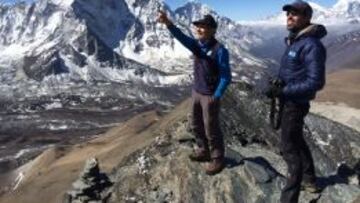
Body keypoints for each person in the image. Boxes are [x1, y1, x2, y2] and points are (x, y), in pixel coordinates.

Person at [265, 1, 327, 202]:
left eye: (295, 14)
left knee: (289, 148)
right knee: (297, 139)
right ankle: (310, 179)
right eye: (288, 14)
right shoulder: (297, 41)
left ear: (307, 18)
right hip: (289, 100)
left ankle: (289, 197)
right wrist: (279, 85)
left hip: (295, 104)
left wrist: (283, 91)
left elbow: (315, 82)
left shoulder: (311, 45)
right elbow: (295, 72)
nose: (289, 17)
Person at [157, 11, 232, 175]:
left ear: (212, 30)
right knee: (196, 124)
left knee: (211, 128)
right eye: (197, 26)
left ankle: (217, 158)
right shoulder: (197, 45)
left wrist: (217, 95)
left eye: (203, 26)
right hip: (196, 92)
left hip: (209, 95)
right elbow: (181, 37)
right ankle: (203, 150)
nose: (198, 29)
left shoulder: (220, 50)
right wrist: (168, 23)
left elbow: (226, 76)